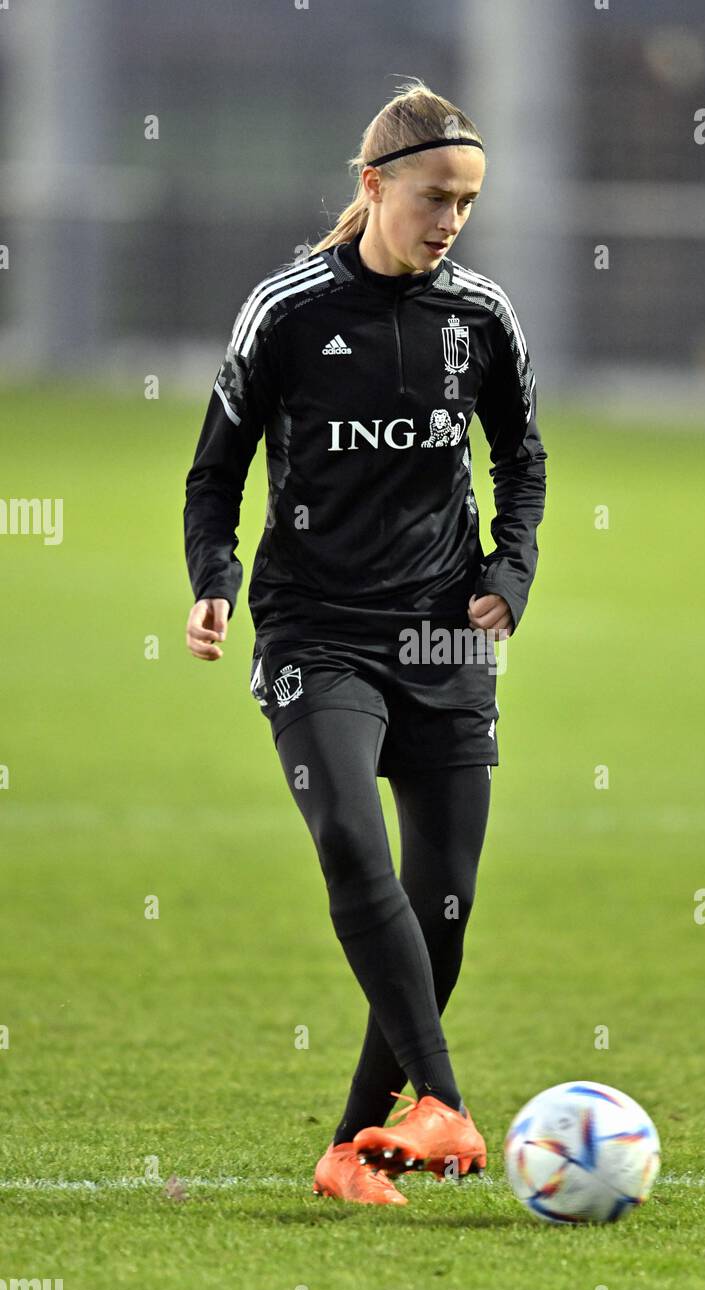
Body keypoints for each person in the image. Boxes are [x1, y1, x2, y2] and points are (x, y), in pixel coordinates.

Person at [183, 79, 547, 1206]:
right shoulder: (287, 310)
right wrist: (214, 581)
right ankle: (441, 1102)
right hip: (318, 629)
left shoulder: (480, 317)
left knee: (442, 907)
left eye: (469, 204)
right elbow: (216, 468)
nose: (451, 221)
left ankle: (351, 1148)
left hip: (443, 635)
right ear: (374, 183)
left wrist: (509, 568)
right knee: (347, 835)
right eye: (436, 197)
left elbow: (521, 460)